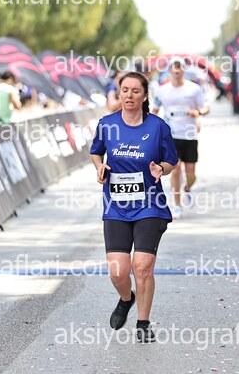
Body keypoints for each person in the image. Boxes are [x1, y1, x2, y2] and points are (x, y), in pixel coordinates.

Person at [90, 72, 178, 343]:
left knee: (142, 267)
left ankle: (143, 322)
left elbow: (171, 161)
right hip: (116, 206)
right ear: (119, 93)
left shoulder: (158, 127)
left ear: (145, 95)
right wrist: (99, 167)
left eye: (135, 91)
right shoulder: (107, 125)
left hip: (150, 204)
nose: (129, 95)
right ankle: (126, 298)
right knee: (118, 271)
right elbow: (96, 152)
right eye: (124, 90)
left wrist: (160, 169)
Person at [152, 57, 209, 220]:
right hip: (171, 135)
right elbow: (154, 110)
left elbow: (205, 107)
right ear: (169, 70)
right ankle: (177, 206)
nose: (177, 70)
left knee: (191, 175)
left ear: (184, 69)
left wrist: (198, 113)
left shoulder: (194, 89)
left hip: (189, 135)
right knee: (175, 169)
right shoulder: (161, 90)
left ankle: (188, 188)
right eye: (174, 67)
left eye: (180, 67)